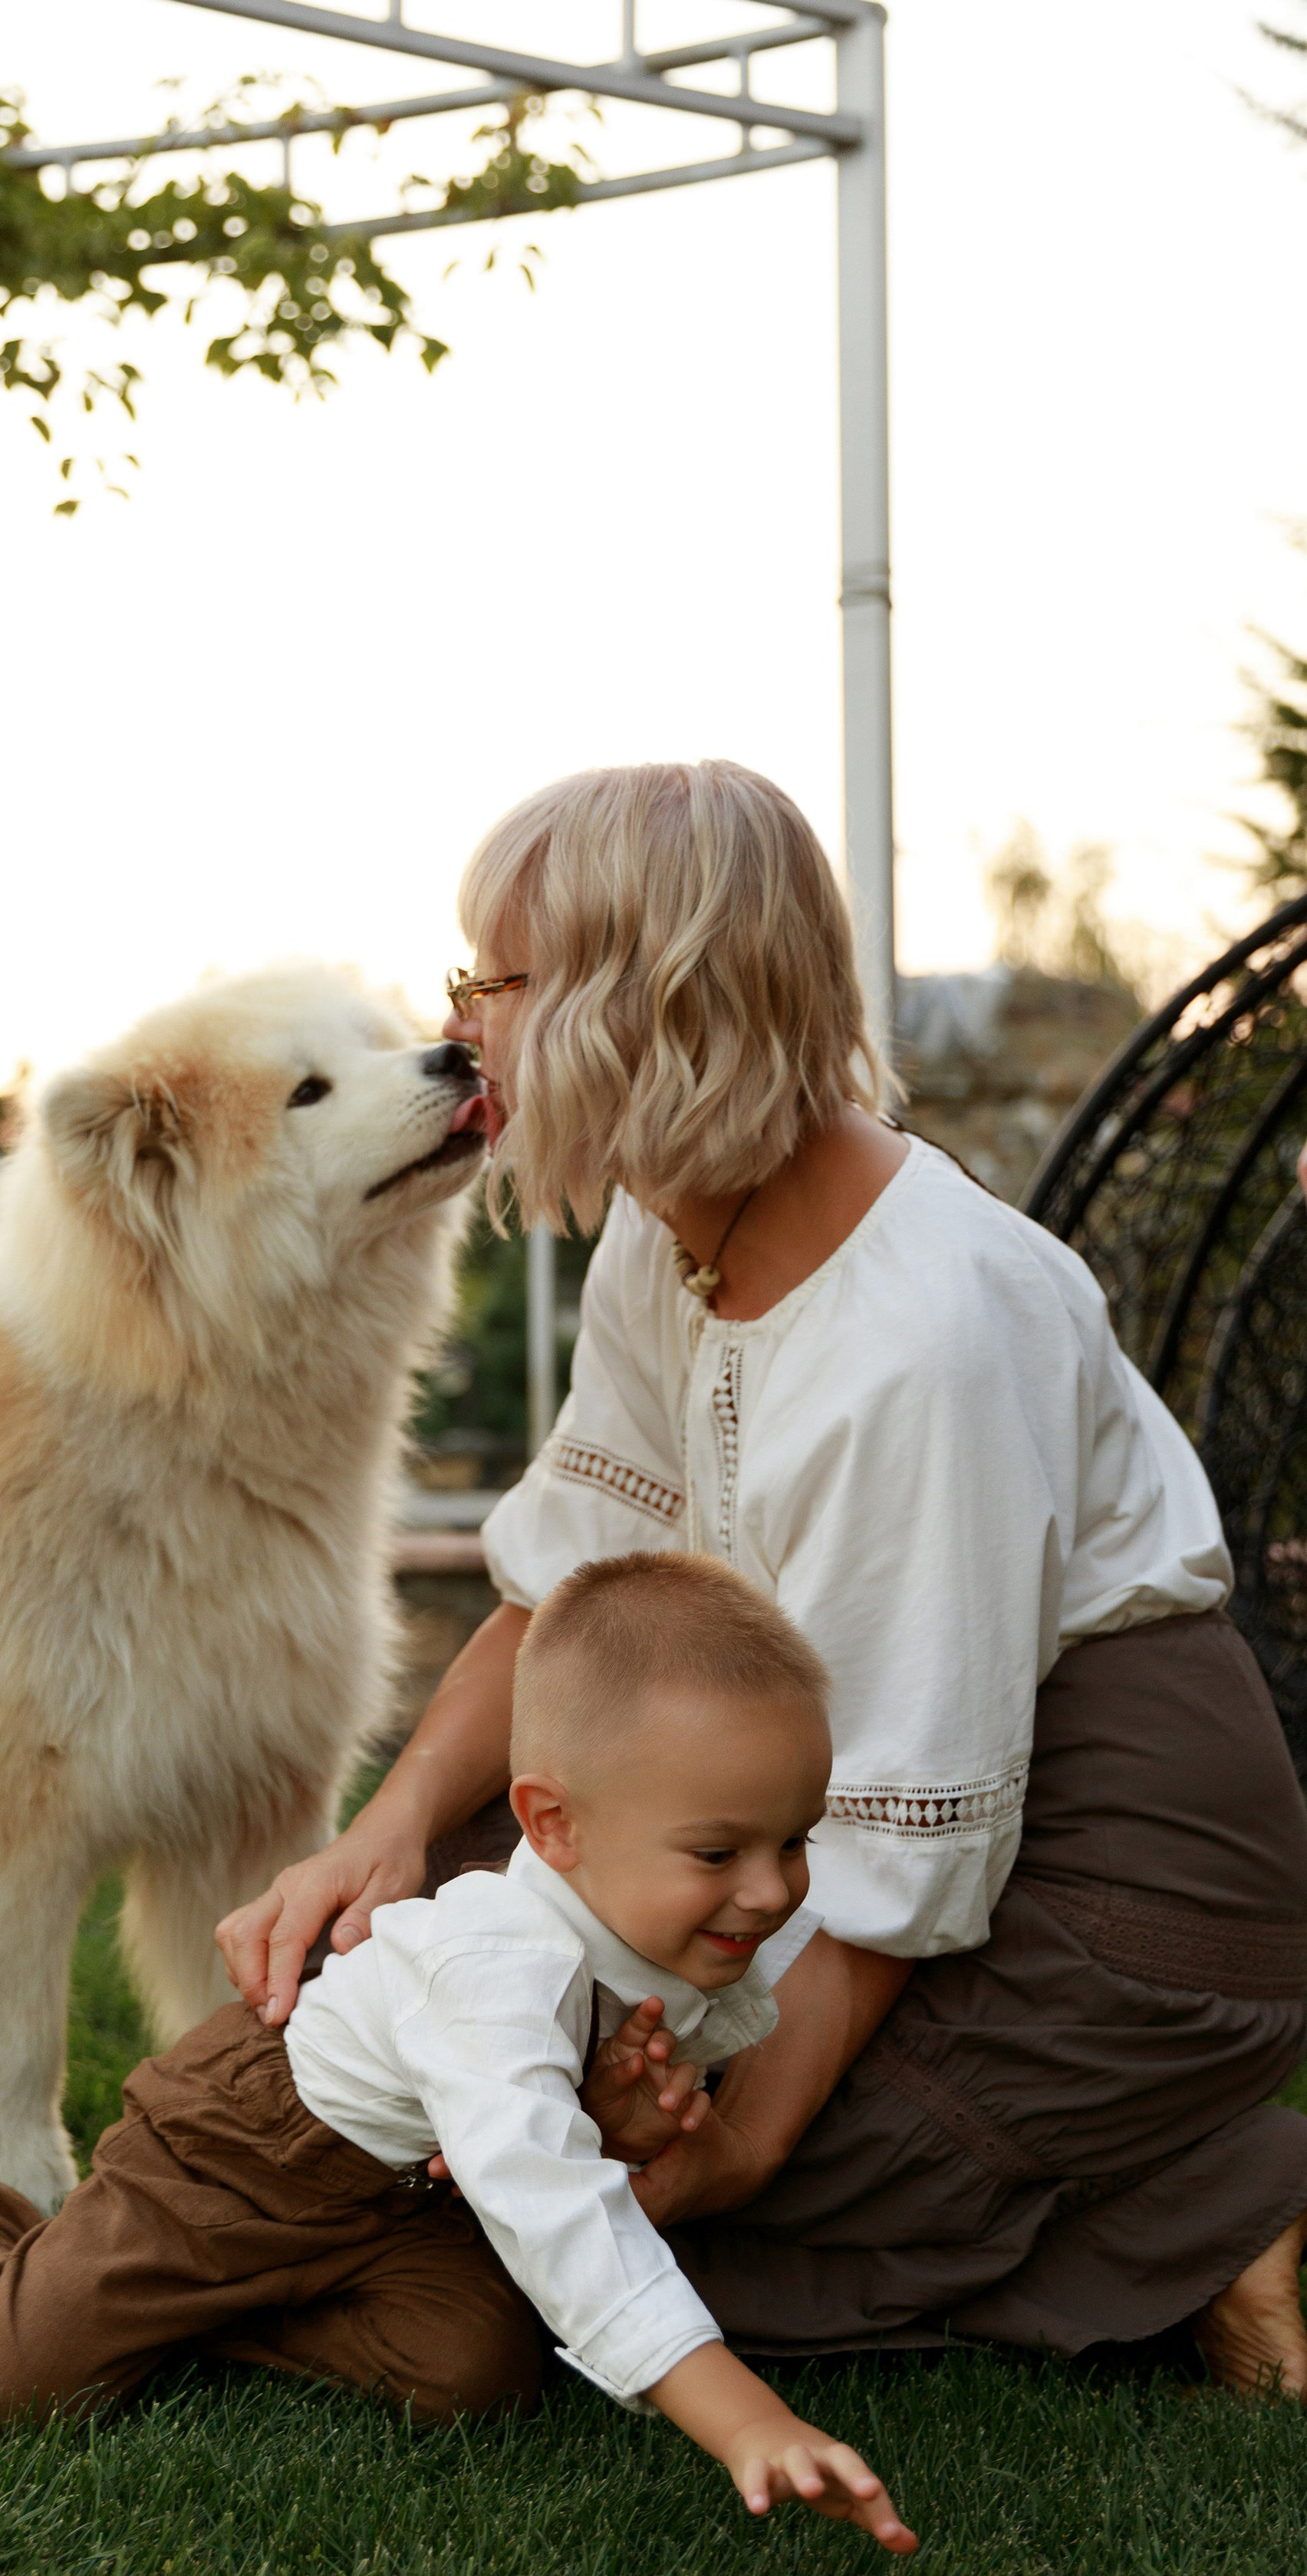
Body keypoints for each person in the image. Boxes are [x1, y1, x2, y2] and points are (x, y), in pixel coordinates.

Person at [219, 758, 1307, 2396]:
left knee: (609, 2234)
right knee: (453, 1964)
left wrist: (729, 2154)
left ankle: (1230, 2217)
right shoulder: (673, 1237)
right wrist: (388, 1832)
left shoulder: (918, 1340)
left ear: (637, 1010)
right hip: (800, 1818)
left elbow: (891, 1851)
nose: (463, 1026)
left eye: (494, 984)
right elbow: (563, 1596)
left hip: (1110, 1895)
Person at [0, 1554, 917, 2555]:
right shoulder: (492, 1966)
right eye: (720, 1852)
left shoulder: (673, 1926)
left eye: (796, 1842)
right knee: (21, 2378)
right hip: (243, 2155)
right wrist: (747, 2420)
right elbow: (554, 2205)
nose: (772, 1891)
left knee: (478, 2375)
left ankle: (217, 2309)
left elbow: (570, 2122)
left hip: (398, 2204)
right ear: (552, 1824)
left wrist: (627, 2121)